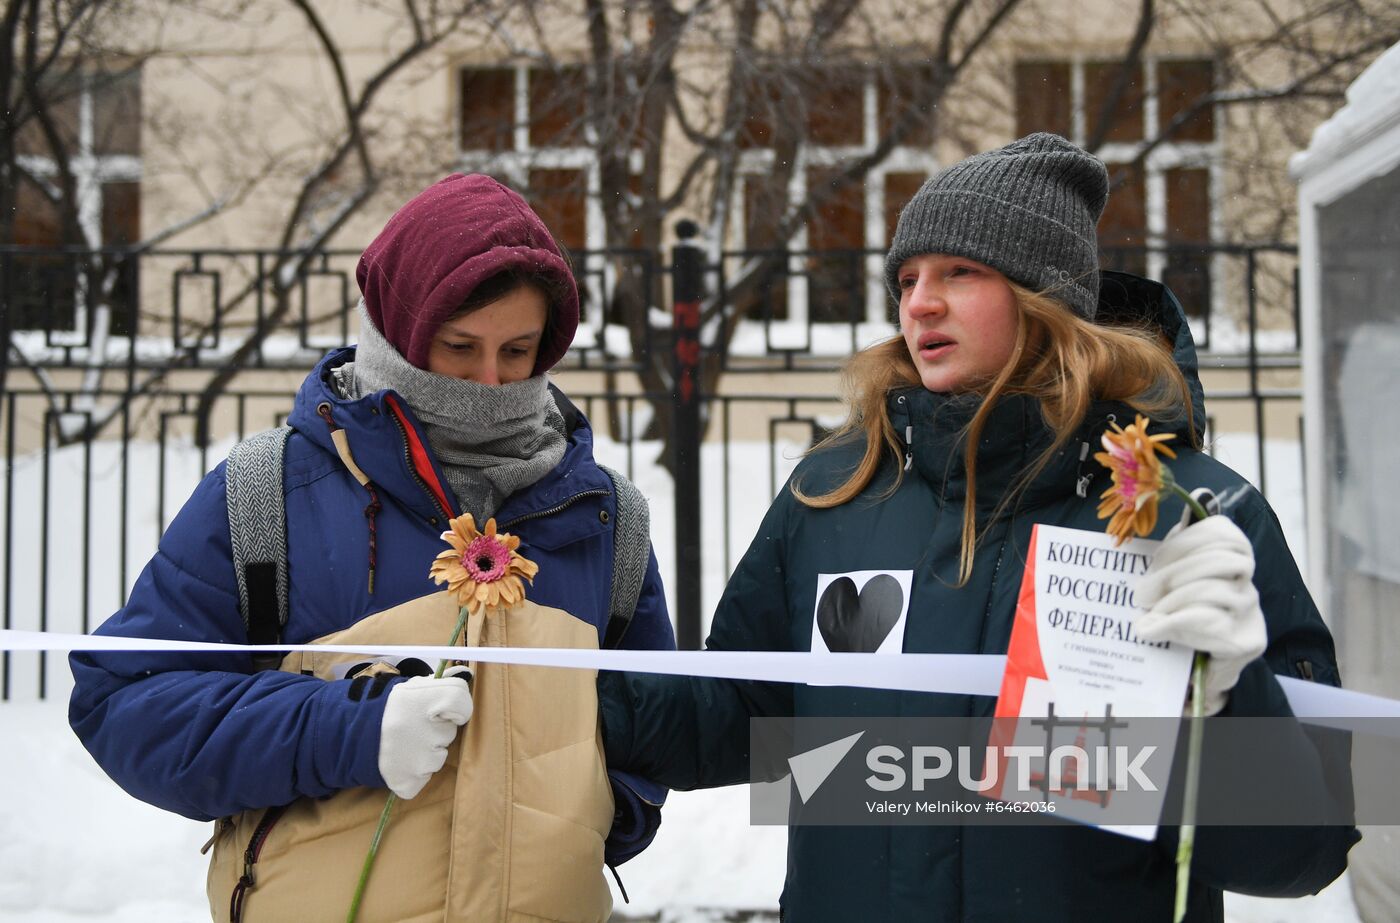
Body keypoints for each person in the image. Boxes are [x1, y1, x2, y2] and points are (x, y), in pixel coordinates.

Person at [598, 134, 1357, 921]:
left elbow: (1304, 850)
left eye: (959, 271)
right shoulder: (834, 492)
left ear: (1044, 296)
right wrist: (555, 695)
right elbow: (745, 718)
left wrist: (1231, 701)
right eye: (908, 278)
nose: (919, 302)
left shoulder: (1192, 515)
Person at [69, 174, 676, 922]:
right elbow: (125, 702)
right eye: (459, 347)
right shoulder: (268, 493)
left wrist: (601, 810)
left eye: (517, 351)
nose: (489, 382)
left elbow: (655, 725)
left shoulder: (604, 517)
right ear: (398, 330)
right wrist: (344, 728)